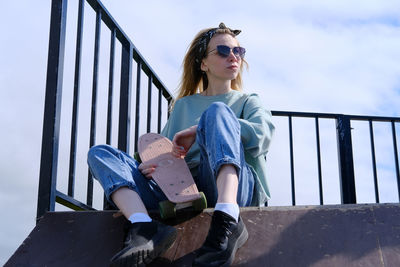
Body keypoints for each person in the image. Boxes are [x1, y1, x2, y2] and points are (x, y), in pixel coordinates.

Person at [87, 22, 275, 267]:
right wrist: (147, 165)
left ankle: (228, 219)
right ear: (203, 63)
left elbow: (263, 135)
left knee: (217, 112)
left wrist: (201, 129)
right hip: (183, 191)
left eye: (238, 51)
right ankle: (143, 227)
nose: (233, 57)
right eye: (223, 51)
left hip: (232, 187)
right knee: (100, 153)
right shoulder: (183, 106)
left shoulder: (248, 101)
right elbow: (161, 150)